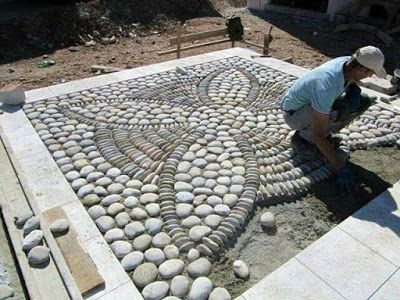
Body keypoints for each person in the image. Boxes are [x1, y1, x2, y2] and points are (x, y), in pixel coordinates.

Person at [281, 46, 386, 193]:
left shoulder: (347, 63)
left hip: (310, 104)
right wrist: (340, 168)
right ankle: (302, 140)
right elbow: (319, 136)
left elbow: (350, 81)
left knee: (363, 100)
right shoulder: (327, 85)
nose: (368, 77)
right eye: (370, 74)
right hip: (294, 114)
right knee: (329, 119)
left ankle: (319, 131)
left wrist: (352, 88)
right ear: (361, 69)